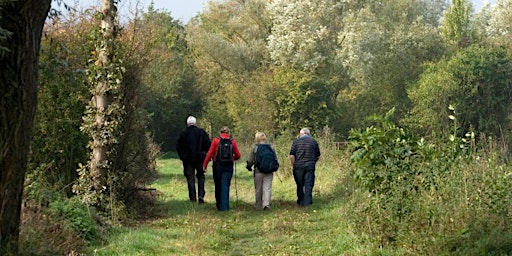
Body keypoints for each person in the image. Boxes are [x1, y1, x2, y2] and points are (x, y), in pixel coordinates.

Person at [203, 126, 241, 211]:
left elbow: (209, 153)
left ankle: (219, 205)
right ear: (229, 133)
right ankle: (225, 207)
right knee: (225, 185)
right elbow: (238, 155)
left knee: (218, 185)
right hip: (228, 166)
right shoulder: (232, 142)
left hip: (217, 166)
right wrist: (232, 159)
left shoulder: (216, 140)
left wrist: (204, 166)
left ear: (220, 133)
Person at [177, 116, 211, 203]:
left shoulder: (183, 134)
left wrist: (183, 157)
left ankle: (192, 198)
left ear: (187, 124)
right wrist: (204, 155)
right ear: (195, 123)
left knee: (190, 178)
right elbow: (208, 145)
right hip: (200, 159)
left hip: (188, 160)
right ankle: (201, 195)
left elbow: (179, 148)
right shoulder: (202, 132)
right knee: (200, 177)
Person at [289, 128, 320, 207]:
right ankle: (307, 202)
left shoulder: (295, 142)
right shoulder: (313, 142)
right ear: (308, 134)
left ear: (301, 134)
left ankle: (300, 200)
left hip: (298, 166)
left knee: (300, 184)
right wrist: (313, 162)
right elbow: (318, 155)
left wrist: (294, 165)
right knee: (308, 184)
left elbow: (292, 156)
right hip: (310, 166)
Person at [246, 132, 276, 211]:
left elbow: (250, 160)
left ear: (257, 139)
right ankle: (266, 205)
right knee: (267, 188)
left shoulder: (255, 148)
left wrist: (249, 167)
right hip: (269, 171)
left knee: (258, 189)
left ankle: (258, 205)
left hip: (258, 171)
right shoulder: (270, 147)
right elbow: (275, 159)